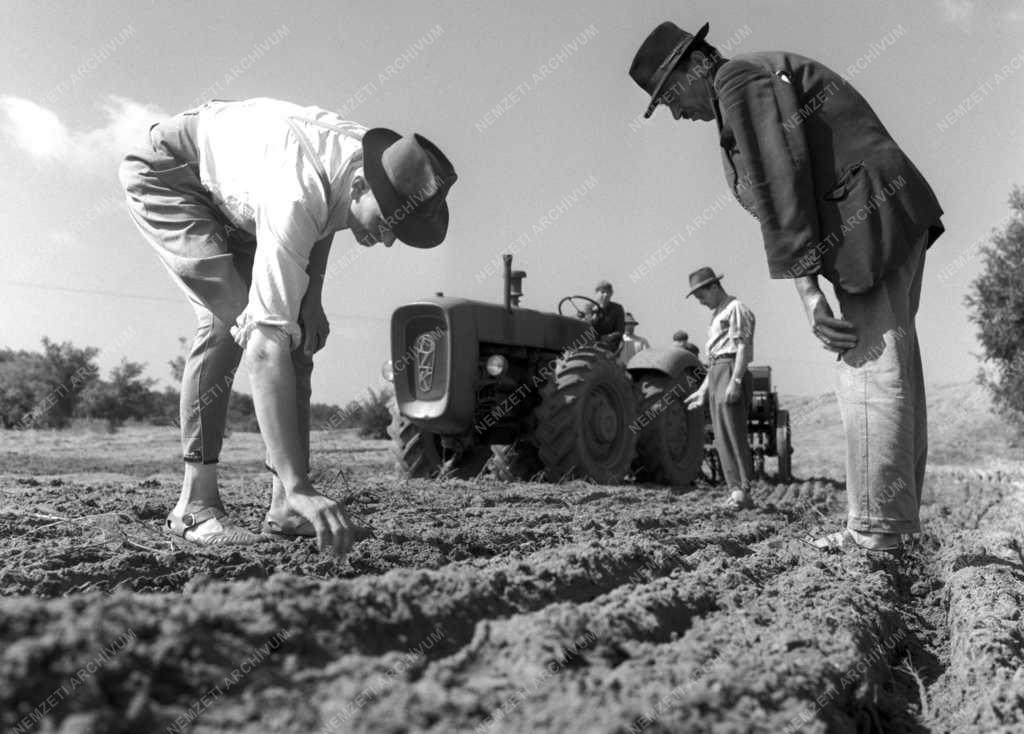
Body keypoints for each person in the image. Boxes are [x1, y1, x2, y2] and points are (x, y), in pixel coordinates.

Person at [630, 22, 944, 551]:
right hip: (886, 212)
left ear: (695, 66)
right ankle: (891, 524)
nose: (677, 113)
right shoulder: (749, 78)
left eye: (669, 97)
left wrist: (809, 294)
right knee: (894, 365)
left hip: (868, 221)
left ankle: (876, 531)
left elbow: (780, 183)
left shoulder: (735, 81)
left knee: (867, 366)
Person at [119, 98, 457, 554]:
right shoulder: (296, 189)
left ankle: (286, 508)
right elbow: (264, 344)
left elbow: (329, 211)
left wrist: (311, 297)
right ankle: (194, 506)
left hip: (246, 194)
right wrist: (303, 483)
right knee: (233, 326)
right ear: (362, 184)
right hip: (174, 174)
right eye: (390, 221)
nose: (389, 239)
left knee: (297, 333)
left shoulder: (365, 164)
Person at [681, 268, 756, 509]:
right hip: (717, 371)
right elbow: (713, 359)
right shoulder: (716, 314)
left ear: (713, 287)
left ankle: (743, 491)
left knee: (734, 434)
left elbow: (744, 347)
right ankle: (734, 490)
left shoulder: (736, 309)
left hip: (731, 368)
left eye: (701, 295)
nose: (700, 302)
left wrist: (735, 380)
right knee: (721, 437)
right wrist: (703, 390)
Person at [581, 280, 626, 353]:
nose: (605, 295)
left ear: (611, 294)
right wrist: (594, 314)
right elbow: (586, 327)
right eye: (602, 292)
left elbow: (620, 330)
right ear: (596, 293)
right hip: (590, 342)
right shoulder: (589, 307)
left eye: (608, 292)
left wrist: (609, 337)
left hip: (609, 344)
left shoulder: (617, 308)